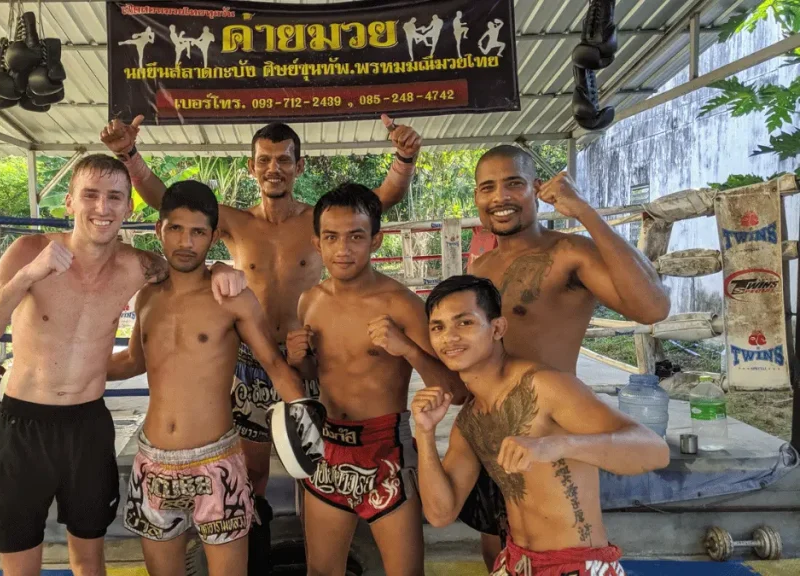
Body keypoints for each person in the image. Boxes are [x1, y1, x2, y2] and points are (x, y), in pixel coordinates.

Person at [100, 114, 423, 573]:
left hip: (305, 358)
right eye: (265, 161)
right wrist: (128, 157)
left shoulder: (318, 220)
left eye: (284, 160)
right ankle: (251, 557)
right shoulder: (233, 222)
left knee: (316, 464)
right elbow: (168, 203)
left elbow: (375, 203)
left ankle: (328, 548)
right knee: (249, 474)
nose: (274, 168)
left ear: (299, 166)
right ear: (251, 167)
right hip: (248, 362)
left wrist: (404, 161)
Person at [0, 155, 243, 576]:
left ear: (129, 208)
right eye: (90, 195)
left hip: (87, 427)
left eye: (114, 197)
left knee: (90, 561)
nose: (102, 208)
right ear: (69, 201)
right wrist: (26, 277)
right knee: (19, 562)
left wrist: (223, 269)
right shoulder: (29, 251)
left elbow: (188, 264)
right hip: (23, 424)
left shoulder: (139, 266)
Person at [461, 145, 671, 568]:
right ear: (477, 198)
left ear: (536, 190)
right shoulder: (479, 270)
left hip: (550, 428)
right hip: (491, 434)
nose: (500, 197)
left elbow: (653, 308)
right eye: (488, 188)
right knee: (499, 553)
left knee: (563, 552)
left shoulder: (568, 252)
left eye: (513, 184)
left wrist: (585, 212)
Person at [106, 180, 312, 575]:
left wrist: (305, 418)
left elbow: (273, 364)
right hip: (154, 463)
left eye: (198, 232)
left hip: (216, 461)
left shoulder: (232, 297)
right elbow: (135, 360)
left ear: (214, 236)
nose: (186, 242)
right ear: (158, 231)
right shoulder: (146, 295)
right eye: (176, 229)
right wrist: (75, 370)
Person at [414, 275, 670, 576]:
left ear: (497, 328)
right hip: (516, 562)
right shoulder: (470, 420)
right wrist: (425, 433)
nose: (450, 337)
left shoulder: (544, 386)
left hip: (578, 564)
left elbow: (655, 450)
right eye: (438, 327)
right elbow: (440, 513)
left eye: (464, 323)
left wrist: (557, 445)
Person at [286, 184, 465, 576]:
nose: (343, 249)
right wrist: (300, 361)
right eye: (331, 237)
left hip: (387, 450)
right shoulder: (309, 301)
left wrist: (409, 350)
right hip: (328, 447)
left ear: (376, 240)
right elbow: (317, 376)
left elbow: (458, 391)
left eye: (356, 237)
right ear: (317, 242)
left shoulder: (401, 303)